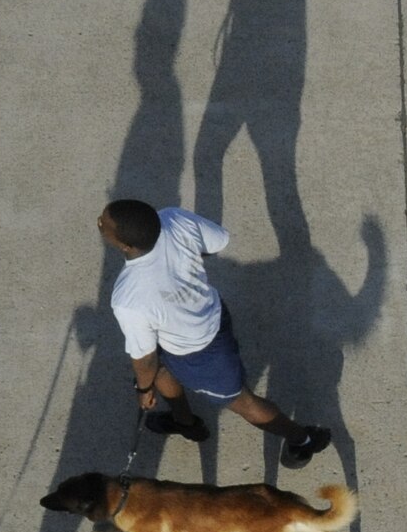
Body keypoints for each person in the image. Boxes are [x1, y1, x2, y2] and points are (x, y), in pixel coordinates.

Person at [98, 199, 332, 467]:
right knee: (162, 369)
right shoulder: (174, 219)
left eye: (101, 223)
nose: (99, 223)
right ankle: (185, 423)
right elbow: (217, 241)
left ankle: (302, 439)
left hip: (200, 354)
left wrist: (143, 389)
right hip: (212, 315)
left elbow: (145, 358)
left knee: (241, 401)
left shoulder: (129, 297)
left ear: (126, 246)